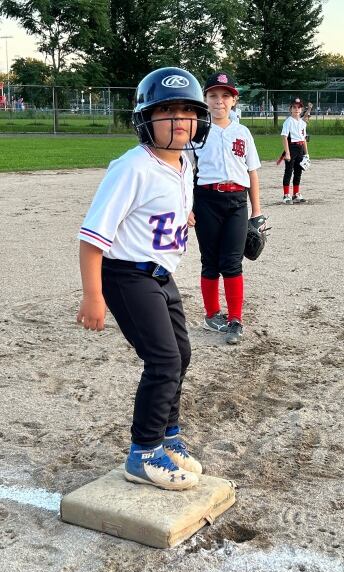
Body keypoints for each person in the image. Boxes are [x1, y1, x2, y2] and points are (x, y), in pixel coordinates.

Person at [76, 67, 211, 491]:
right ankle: (143, 451)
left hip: (160, 274)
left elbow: (170, 201)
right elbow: (92, 236)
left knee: (181, 354)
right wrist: (93, 295)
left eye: (187, 112)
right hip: (126, 275)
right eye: (166, 110)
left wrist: (181, 216)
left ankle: (168, 435)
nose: (178, 121)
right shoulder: (132, 167)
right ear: (145, 118)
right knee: (163, 360)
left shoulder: (185, 160)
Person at [192, 71, 264, 345]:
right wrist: (188, 207)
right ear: (205, 99)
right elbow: (186, 172)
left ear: (234, 100)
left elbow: (252, 172)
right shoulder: (197, 130)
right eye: (213, 95)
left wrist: (256, 211)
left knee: (232, 262)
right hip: (206, 200)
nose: (219, 101)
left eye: (225, 96)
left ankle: (235, 319)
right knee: (210, 261)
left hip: (236, 202)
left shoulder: (242, 132)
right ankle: (212, 315)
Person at [281, 96, 310, 204]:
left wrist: (306, 154)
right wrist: (287, 152)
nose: (296, 109)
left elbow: (304, 139)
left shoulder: (303, 123)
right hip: (292, 147)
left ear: (301, 109)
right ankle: (286, 195)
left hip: (301, 148)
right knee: (289, 171)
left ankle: (296, 194)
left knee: (298, 171)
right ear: (290, 109)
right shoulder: (288, 121)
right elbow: (284, 137)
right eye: (294, 107)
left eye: (299, 107)